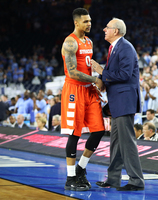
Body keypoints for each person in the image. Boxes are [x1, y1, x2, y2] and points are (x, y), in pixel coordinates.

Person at [92, 17, 144, 191]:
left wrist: (101, 72)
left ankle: (136, 181)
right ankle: (113, 179)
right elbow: (116, 74)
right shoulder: (114, 48)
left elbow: (124, 74)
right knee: (116, 142)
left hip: (125, 101)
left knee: (127, 142)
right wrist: (102, 79)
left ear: (116, 31)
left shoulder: (126, 47)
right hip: (117, 102)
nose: (104, 30)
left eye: (107, 27)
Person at [61, 8, 106, 191]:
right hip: (74, 91)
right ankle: (70, 178)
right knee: (75, 133)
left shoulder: (88, 41)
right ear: (76, 22)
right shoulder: (70, 42)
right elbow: (72, 72)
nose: (89, 24)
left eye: (90, 20)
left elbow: (85, 67)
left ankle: (81, 168)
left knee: (99, 130)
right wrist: (95, 79)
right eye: (86, 21)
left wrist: (95, 80)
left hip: (89, 91)